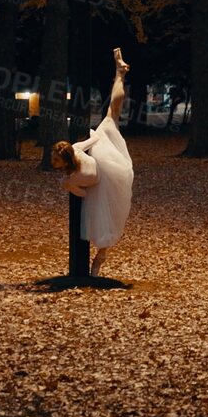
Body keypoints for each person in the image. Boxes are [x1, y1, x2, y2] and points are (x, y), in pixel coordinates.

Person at [50, 48, 136, 277]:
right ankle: (119, 75)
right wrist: (91, 137)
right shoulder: (77, 149)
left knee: (104, 226)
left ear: (65, 161)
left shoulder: (71, 178)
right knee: (112, 113)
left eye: (55, 161)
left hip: (104, 180)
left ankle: (100, 257)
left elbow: (82, 194)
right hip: (103, 156)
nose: (53, 164)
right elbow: (95, 138)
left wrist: (68, 184)